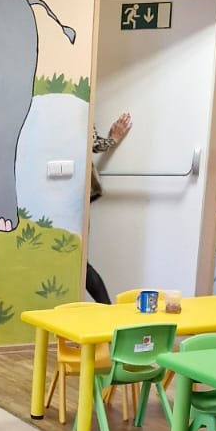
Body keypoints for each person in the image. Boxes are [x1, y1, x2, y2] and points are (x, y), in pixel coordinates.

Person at [85, 113, 134, 304]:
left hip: (74, 193)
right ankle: (107, 309)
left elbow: (91, 142)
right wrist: (112, 140)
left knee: (78, 260)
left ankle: (107, 309)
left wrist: (112, 140)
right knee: (79, 260)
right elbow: (93, 143)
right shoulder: (80, 109)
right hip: (75, 193)